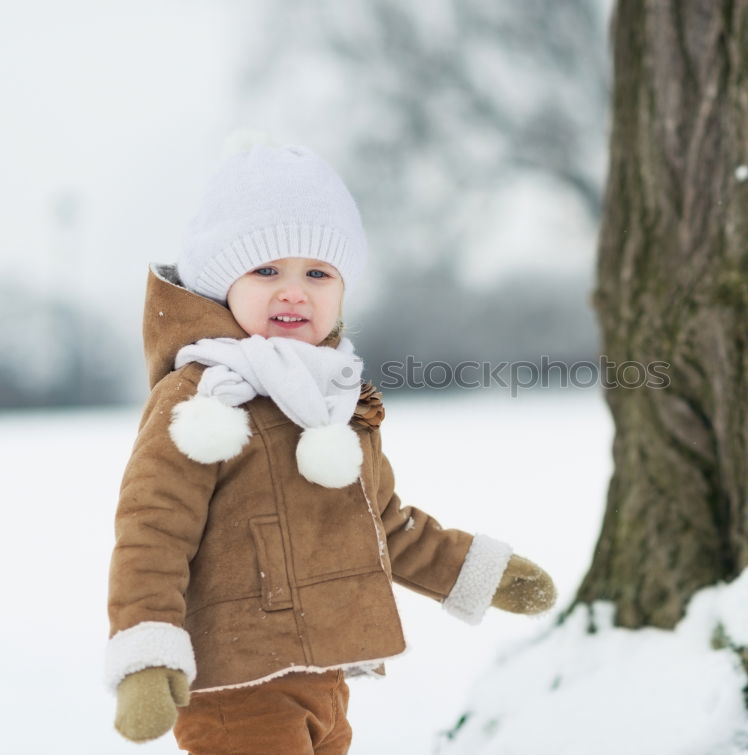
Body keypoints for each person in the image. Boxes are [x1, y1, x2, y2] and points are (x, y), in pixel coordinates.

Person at [105, 135, 557, 754]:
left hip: (325, 679)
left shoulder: (336, 400)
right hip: (237, 686)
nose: (294, 291)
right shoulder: (203, 395)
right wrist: (145, 652)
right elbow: (152, 532)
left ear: (342, 291)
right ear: (221, 284)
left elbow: (385, 526)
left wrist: (473, 571)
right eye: (267, 270)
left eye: (317, 273)